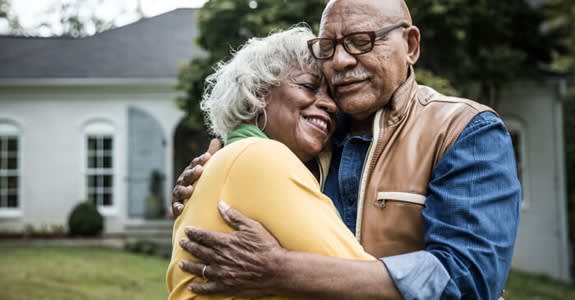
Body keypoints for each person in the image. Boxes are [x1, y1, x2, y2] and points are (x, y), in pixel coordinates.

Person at [172, 0, 521, 299]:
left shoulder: (463, 130)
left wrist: (282, 269)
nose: (338, 61)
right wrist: (216, 169)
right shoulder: (306, 141)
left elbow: (469, 280)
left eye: (360, 41)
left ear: (411, 46)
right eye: (328, 47)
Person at [166, 26, 377, 300]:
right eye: (308, 86)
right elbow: (367, 284)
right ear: (257, 93)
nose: (331, 105)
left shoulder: (230, 160)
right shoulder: (260, 156)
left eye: (333, 96)